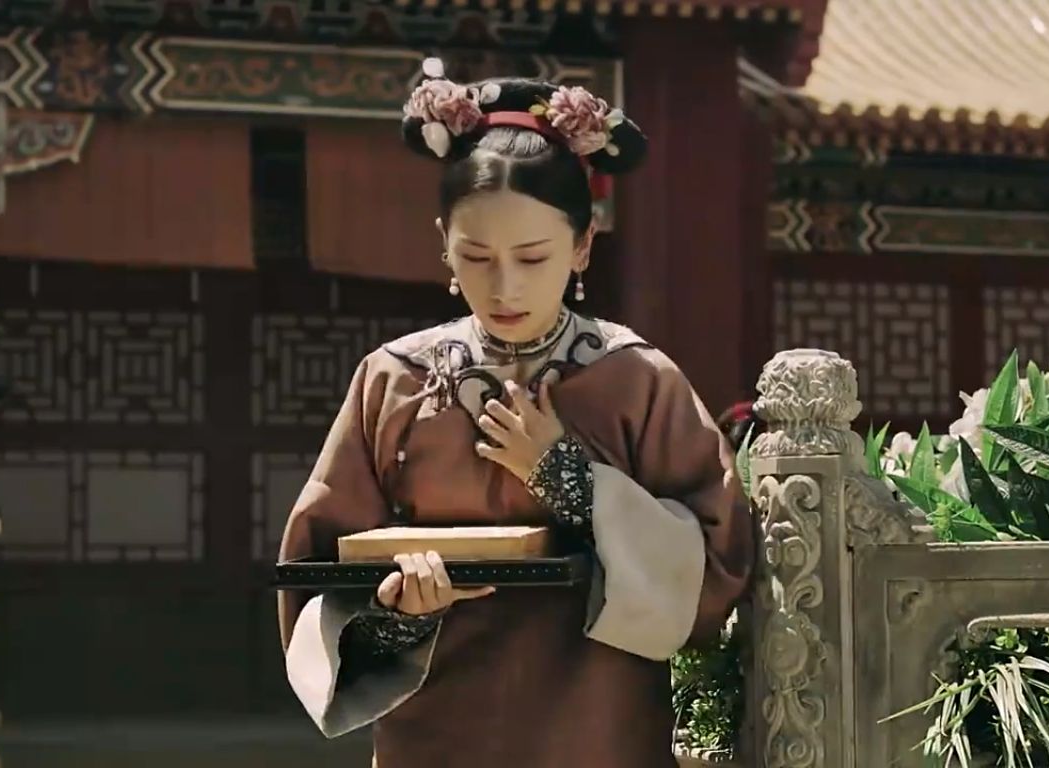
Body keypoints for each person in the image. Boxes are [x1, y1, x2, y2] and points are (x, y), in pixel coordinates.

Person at [277, 59, 755, 768]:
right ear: (443, 242)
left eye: (532, 258)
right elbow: (317, 566)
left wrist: (568, 477)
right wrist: (397, 611)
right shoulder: (394, 380)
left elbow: (718, 564)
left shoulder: (636, 380)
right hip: (433, 735)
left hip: (596, 732)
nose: (504, 287)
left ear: (582, 246)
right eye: (476, 256)